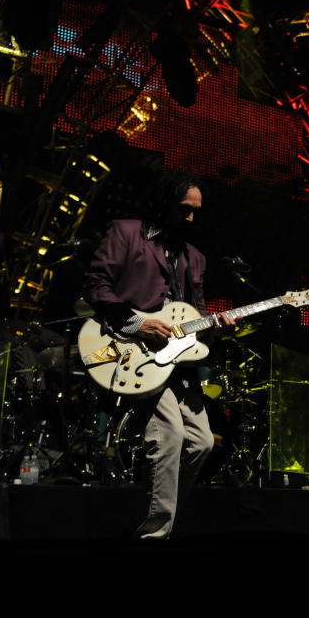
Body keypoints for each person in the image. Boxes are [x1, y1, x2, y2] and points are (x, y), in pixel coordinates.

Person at [83, 174, 235, 539]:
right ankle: (154, 534)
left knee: (201, 443)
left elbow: (196, 317)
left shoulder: (195, 257)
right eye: (184, 210)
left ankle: (147, 513)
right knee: (169, 435)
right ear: (164, 204)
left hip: (176, 361)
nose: (191, 218)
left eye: (196, 212)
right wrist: (138, 324)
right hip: (130, 351)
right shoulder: (126, 233)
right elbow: (95, 285)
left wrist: (217, 326)